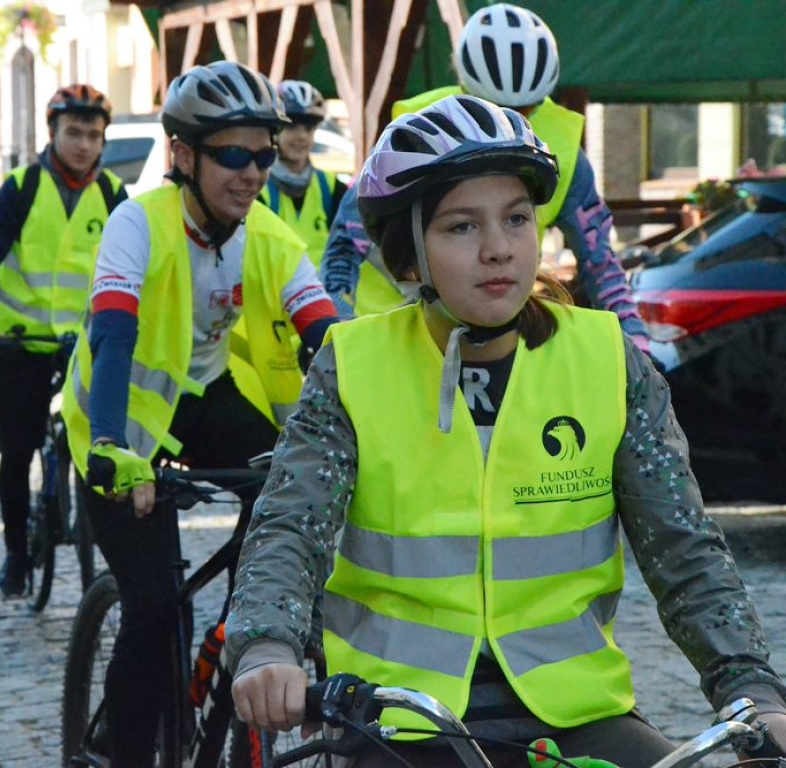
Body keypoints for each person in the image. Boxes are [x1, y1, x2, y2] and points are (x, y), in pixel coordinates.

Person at [226, 94, 786, 768]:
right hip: (400, 716)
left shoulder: (609, 361)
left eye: (517, 219)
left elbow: (686, 552)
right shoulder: (351, 368)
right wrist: (268, 646)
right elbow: (289, 528)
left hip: (575, 714)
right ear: (411, 254)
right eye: (462, 227)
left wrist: (750, 687)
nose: (498, 249)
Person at [59, 60, 338, 767]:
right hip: (114, 421)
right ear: (183, 155)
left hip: (204, 400)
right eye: (233, 155)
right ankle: (123, 753)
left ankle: (227, 642)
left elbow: (326, 336)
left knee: (289, 503)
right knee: (153, 611)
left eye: (263, 155)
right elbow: (113, 333)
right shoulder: (137, 223)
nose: (251, 173)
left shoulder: (268, 238)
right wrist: (118, 450)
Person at [320, 2, 650, 355]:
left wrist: (637, 342)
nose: (505, 125)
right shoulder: (414, 132)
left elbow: (600, 263)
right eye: (485, 106)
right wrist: (334, 329)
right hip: (391, 324)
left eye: (526, 112)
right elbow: (344, 244)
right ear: (464, 88)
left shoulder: (567, 154)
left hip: (491, 327)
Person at [0, 84, 128, 598]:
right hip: (18, 345)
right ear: (52, 133)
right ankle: (17, 553)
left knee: (102, 447)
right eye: (73, 133)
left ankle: (108, 554)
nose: (83, 144)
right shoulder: (22, 187)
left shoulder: (115, 197)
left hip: (85, 348)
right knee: (16, 452)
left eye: (93, 135)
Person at [258, 80, 347, 266]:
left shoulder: (332, 189)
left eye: (309, 128)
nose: (301, 136)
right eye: (291, 126)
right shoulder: (256, 188)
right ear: (274, 130)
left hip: (323, 294)